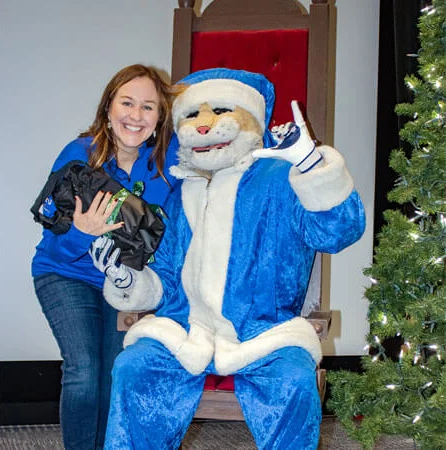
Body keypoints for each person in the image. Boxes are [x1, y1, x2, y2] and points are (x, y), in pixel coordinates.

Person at [91, 68, 366, 449]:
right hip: (186, 331)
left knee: (293, 383)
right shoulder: (179, 192)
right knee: (134, 369)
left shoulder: (282, 178)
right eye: (192, 115)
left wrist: (310, 165)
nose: (204, 126)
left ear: (251, 119)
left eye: (220, 110)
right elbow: (165, 276)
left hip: (266, 333)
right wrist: (124, 277)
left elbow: (338, 232)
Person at [31, 64, 179, 450]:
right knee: (84, 372)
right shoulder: (80, 155)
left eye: (148, 107)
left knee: (117, 374)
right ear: (108, 108)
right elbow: (53, 237)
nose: (136, 115)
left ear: (160, 116)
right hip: (65, 272)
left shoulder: (169, 159)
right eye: (127, 102)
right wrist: (82, 233)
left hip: (126, 285)